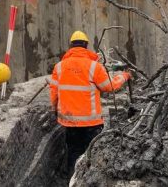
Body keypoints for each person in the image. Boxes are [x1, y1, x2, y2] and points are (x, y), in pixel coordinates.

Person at [49, 30, 131, 175]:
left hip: (69, 122)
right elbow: (109, 86)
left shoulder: (59, 67)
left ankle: (72, 181)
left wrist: (55, 110)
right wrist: (123, 76)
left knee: (74, 153)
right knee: (92, 155)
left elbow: (54, 94)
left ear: (71, 46)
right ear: (86, 46)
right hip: (91, 123)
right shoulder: (94, 67)